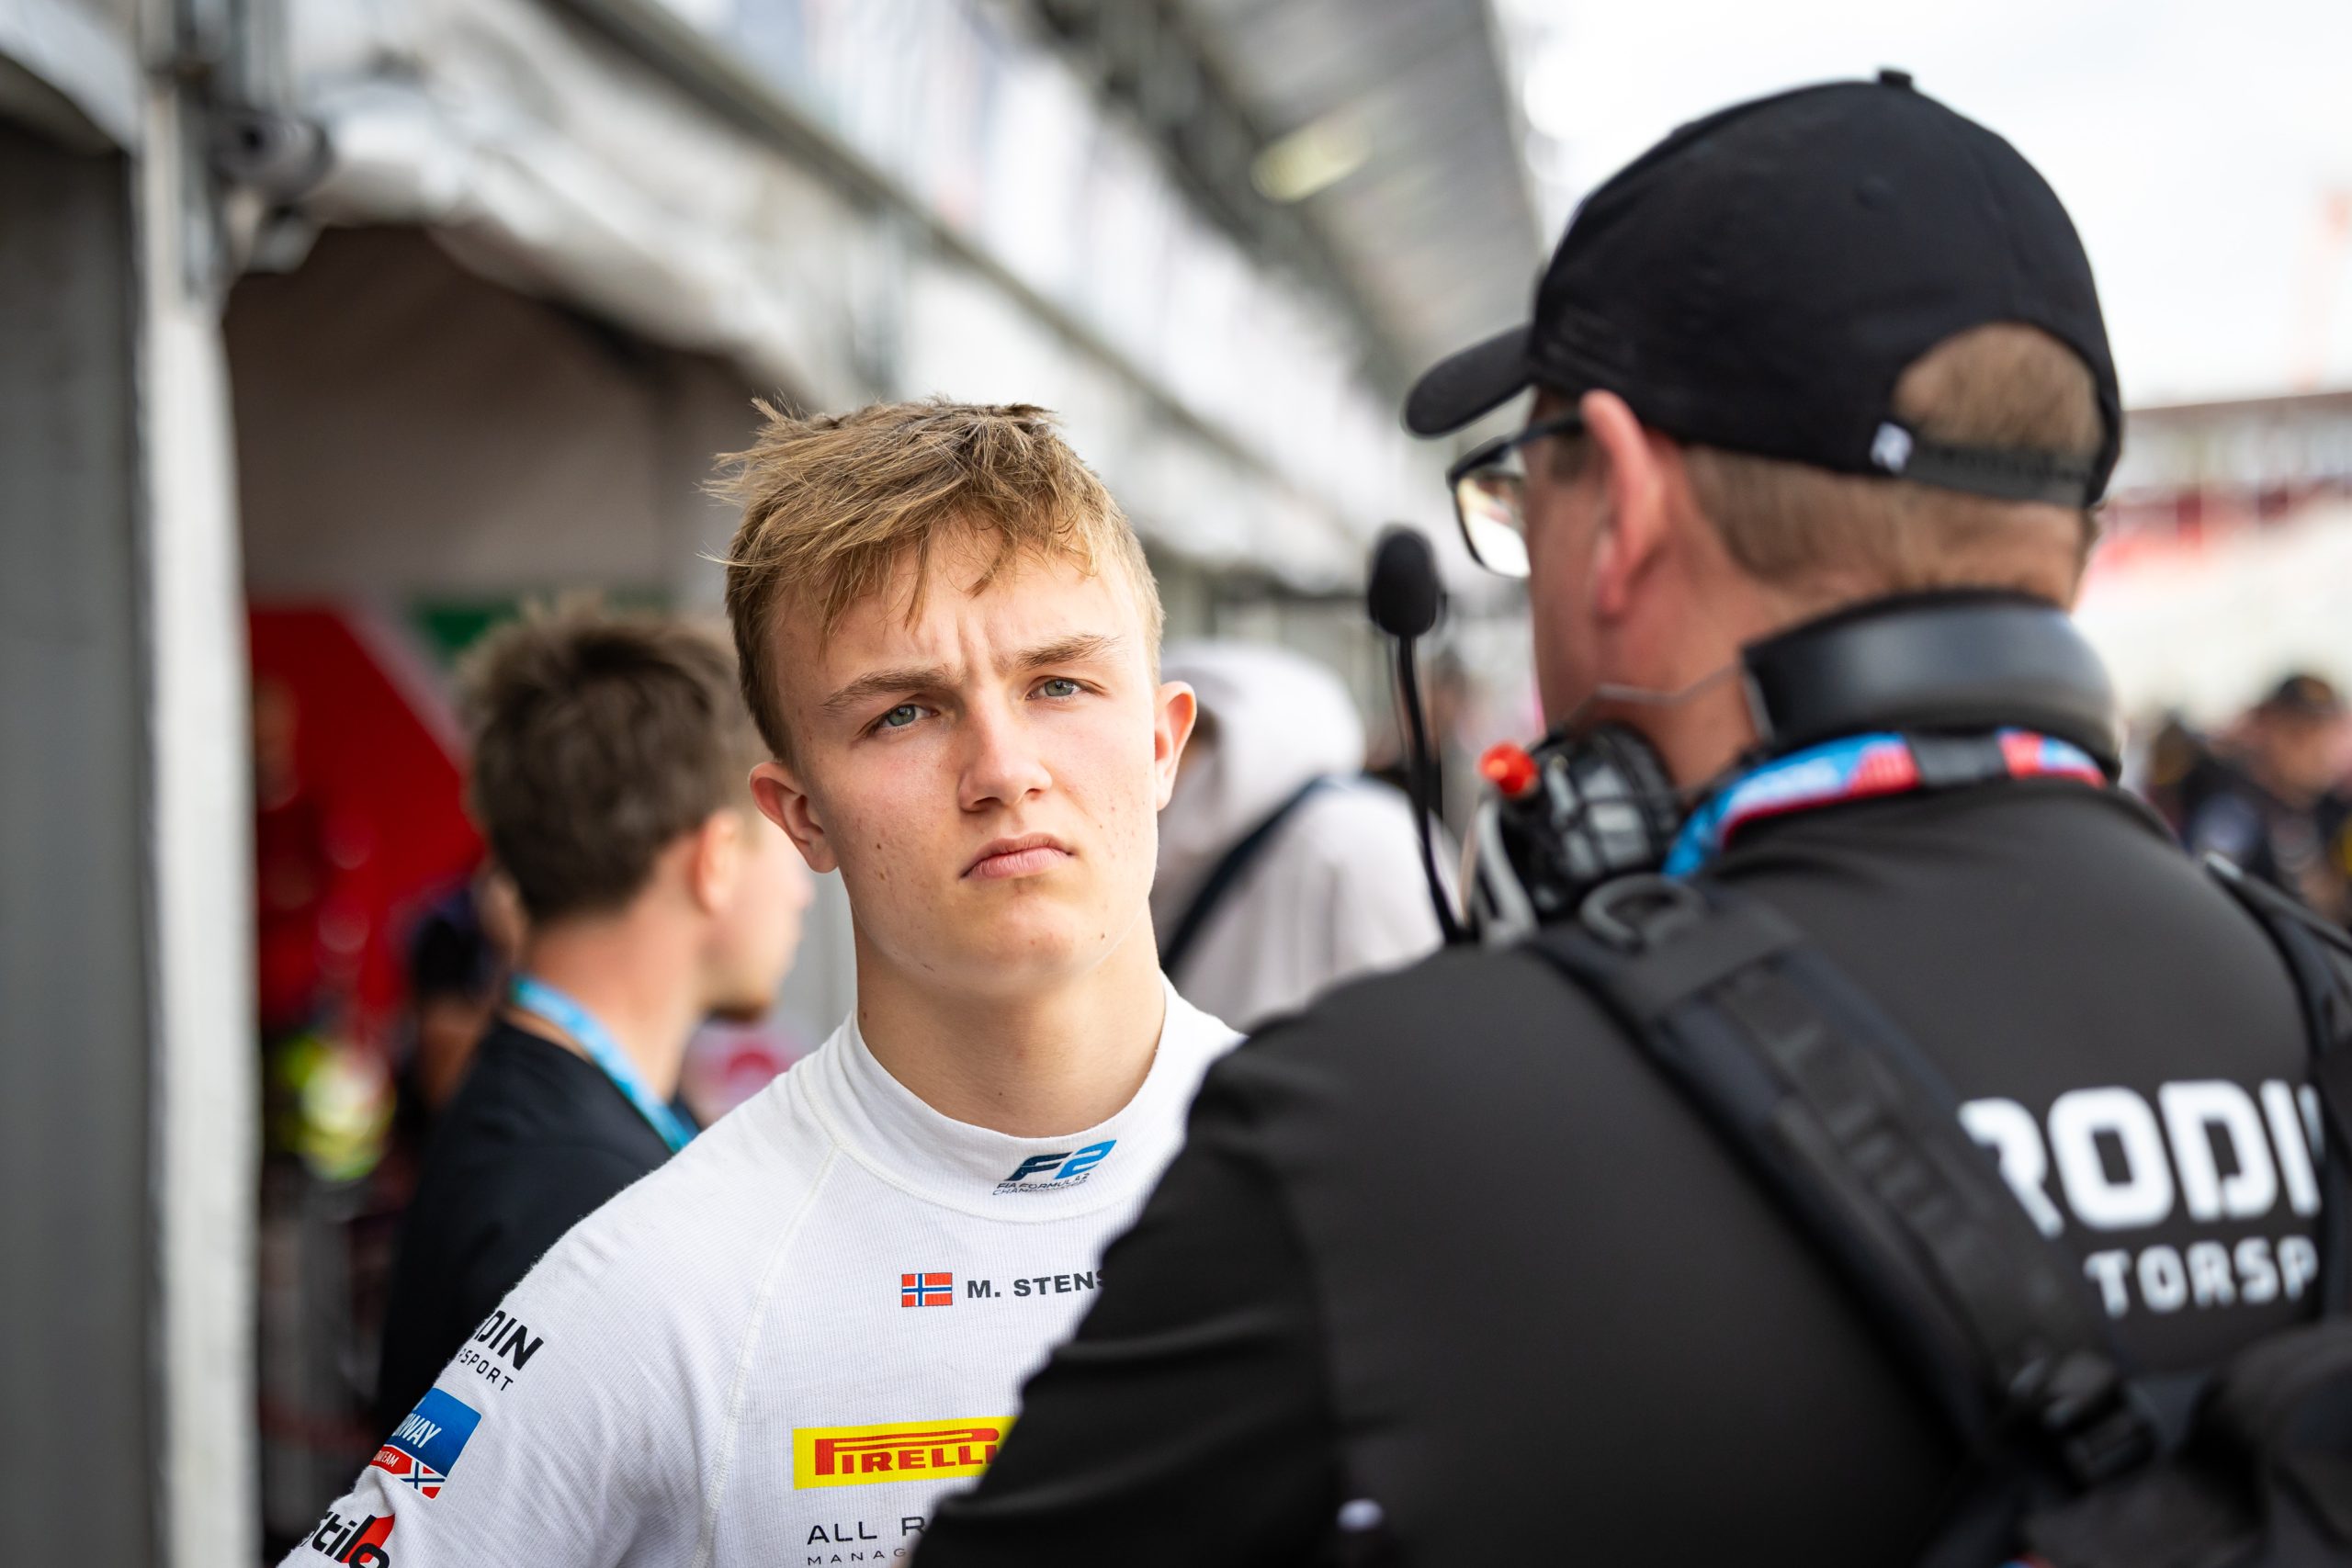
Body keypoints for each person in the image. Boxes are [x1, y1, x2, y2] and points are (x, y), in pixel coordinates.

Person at [915, 76, 2341, 1567]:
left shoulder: (1380, 1124)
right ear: (2068, 533)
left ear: (1625, 511)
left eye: (1522, 502)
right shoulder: (2326, 1005)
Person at [285, 401, 1234, 1567]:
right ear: (798, 816)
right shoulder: (646, 1280)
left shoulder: (1371, 1182)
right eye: (903, 712)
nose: (1002, 770)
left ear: (1162, 742)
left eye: (1060, 685)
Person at [372, 607, 810, 1434]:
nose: (804, 885)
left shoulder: (564, 1126)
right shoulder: (570, 1197)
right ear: (717, 860)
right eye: (788, 827)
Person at [1152, 640, 1442, 1029]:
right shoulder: (1196, 857)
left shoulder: (1358, 840)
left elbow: (1416, 1026)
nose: (1159, 761)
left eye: (1182, 734)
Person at [2178, 672, 2352, 923]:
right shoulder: (2234, 815)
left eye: (2325, 733)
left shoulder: (2328, 815)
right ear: (2267, 729)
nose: (2317, 749)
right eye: (2299, 733)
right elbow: (2201, 908)